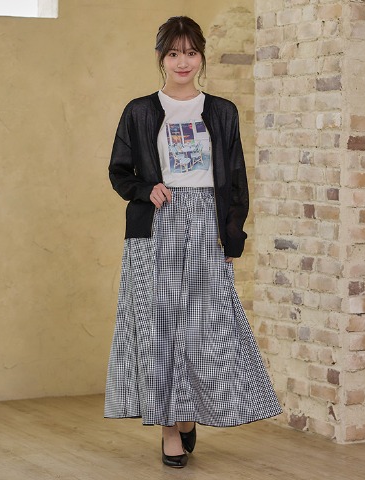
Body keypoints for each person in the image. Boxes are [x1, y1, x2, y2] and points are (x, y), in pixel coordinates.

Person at [104, 16, 282, 468]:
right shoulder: (140, 111)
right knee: (160, 328)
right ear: (160, 57)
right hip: (156, 225)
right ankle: (170, 429)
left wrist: (232, 236)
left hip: (206, 223)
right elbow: (119, 171)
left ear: (201, 56)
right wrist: (146, 189)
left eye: (190, 52)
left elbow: (236, 179)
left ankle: (187, 413)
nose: (182, 62)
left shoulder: (221, 112)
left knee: (204, 327)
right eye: (173, 53)